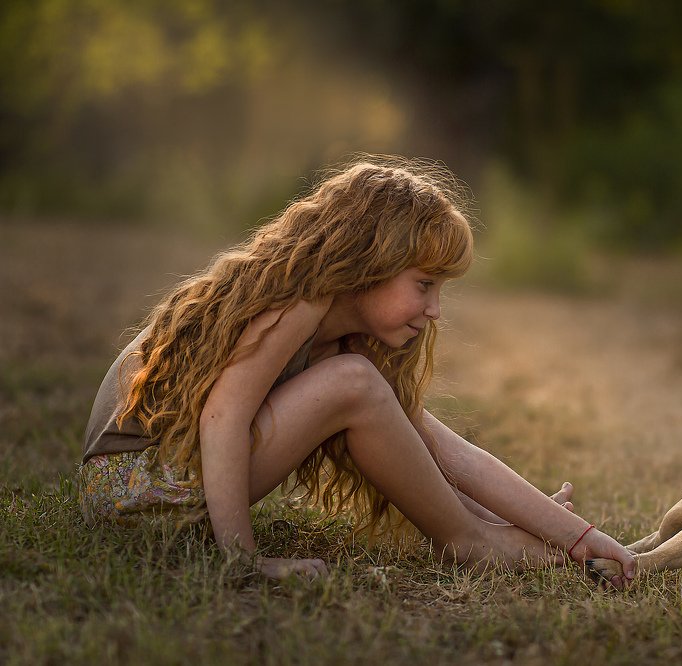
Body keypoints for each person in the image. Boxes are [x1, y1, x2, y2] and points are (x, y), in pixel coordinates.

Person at [79, 157, 636, 586]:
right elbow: (223, 418)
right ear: (372, 263)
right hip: (132, 490)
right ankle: (469, 541)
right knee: (355, 383)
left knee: (365, 388)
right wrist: (245, 563)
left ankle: (490, 537)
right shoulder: (296, 301)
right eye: (424, 285)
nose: (435, 309)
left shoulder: (341, 338)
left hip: (156, 486)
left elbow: (439, 449)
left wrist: (572, 531)